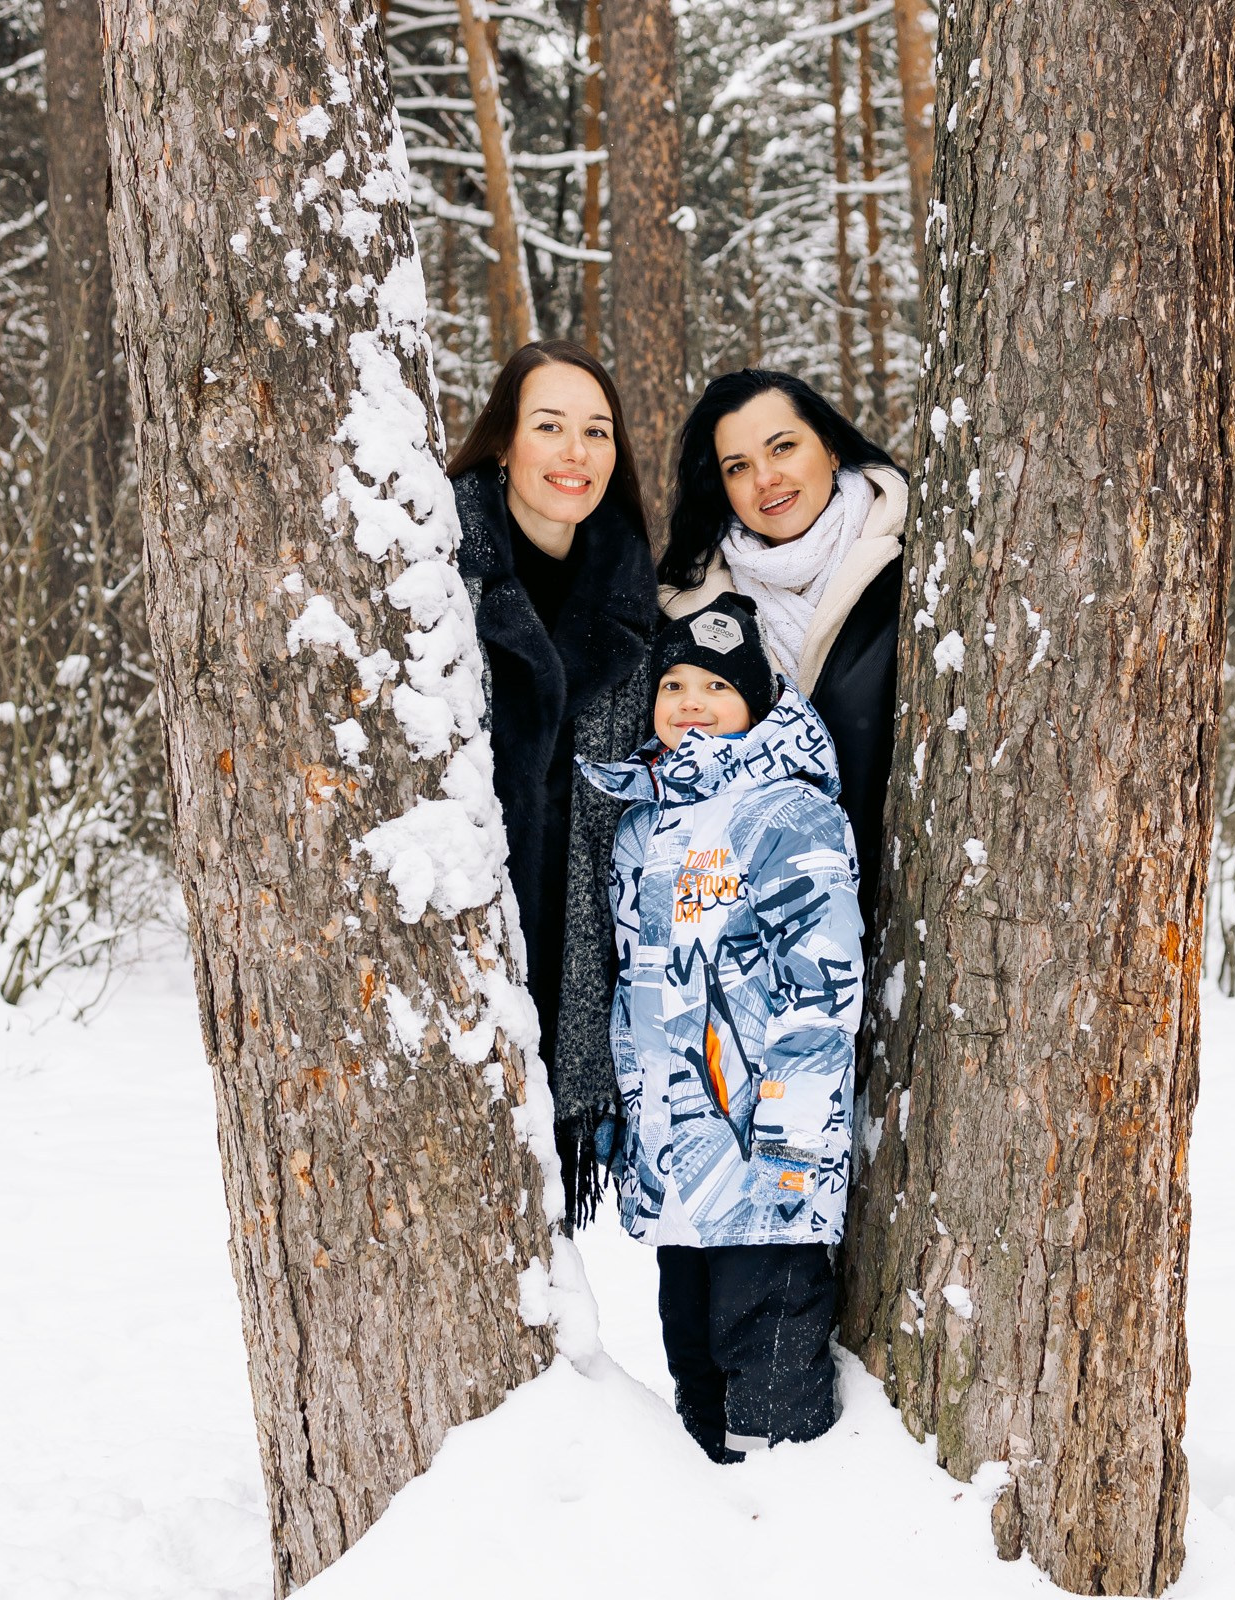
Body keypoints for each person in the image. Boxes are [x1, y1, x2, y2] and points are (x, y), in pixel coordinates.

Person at [580, 594, 865, 1463]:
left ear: (758, 702)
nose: (690, 701)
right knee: (693, 1371)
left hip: (766, 1170)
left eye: (715, 684)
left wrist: (790, 1144)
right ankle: (710, 1528)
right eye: (673, 683)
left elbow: (821, 993)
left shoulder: (791, 813)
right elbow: (638, 989)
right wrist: (629, 1117)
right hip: (678, 1172)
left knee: (767, 1379)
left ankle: (777, 1533)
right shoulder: (644, 823)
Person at [447, 342, 658, 1226]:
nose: (577, 453)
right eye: (550, 427)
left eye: (596, 432)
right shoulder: (439, 571)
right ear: (503, 444)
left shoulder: (639, 594)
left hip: (575, 968)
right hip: (462, 956)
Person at [658, 371, 907, 914]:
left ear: (832, 448)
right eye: (738, 467)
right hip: (758, 945)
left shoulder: (914, 569)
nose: (765, 479)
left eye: (784, 447)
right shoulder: (687, 612)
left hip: (906, 918)